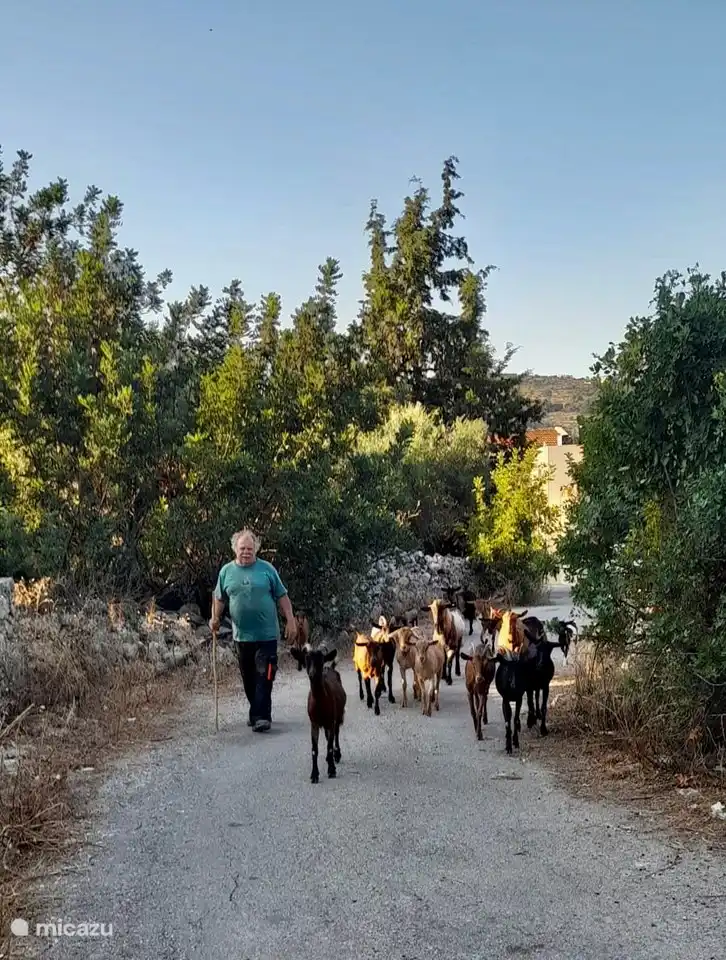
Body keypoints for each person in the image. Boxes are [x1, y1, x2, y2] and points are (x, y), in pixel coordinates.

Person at [209, 529, 297, 732]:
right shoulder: (226, 572)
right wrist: (214, 618)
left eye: (250, 549)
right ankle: (256, 711)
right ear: (235, 549)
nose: (246, 552)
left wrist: (290, 620)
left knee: (265, 673)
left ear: (256, 549)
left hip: (267, 635)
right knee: (249, 678)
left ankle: (261, 717)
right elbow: (219, 598)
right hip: (242, 636)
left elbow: (282, 596)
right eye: (242, 548)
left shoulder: (267, 570)